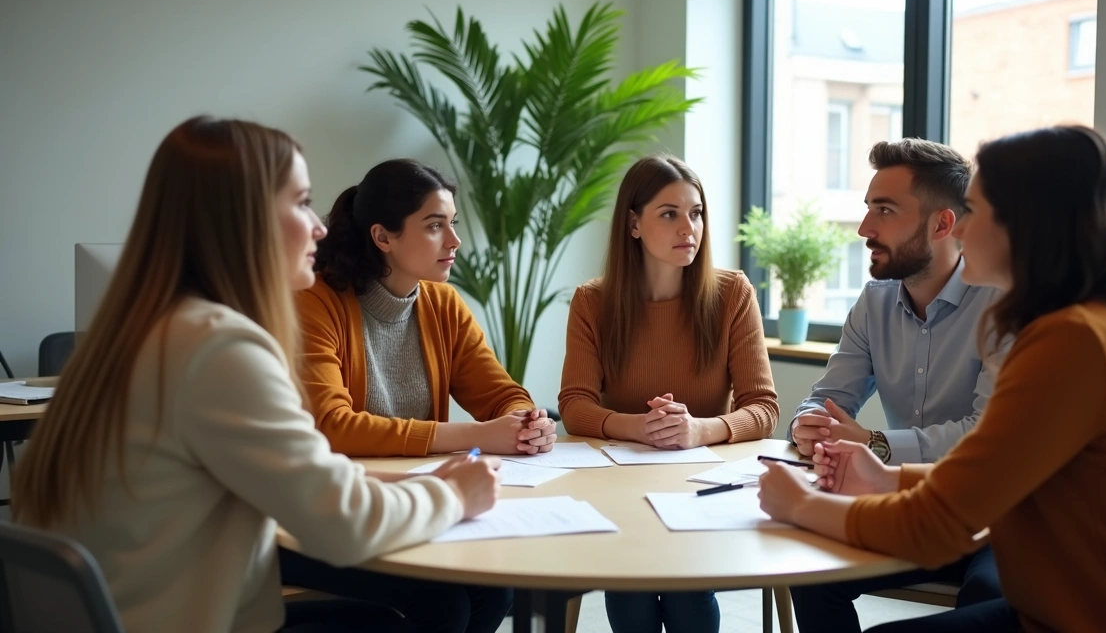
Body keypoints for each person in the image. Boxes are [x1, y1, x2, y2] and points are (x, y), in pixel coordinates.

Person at [10, 116, 503, 633]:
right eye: (301, 201)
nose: (319, 227)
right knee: (430, 611)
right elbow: (344, 524)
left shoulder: (142, 329)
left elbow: (297, 474)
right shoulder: (217, 347)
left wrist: (414, 479)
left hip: (134, 614)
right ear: (242, 219)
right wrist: (453, 496)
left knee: (445, 603)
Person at [758, 125, 1106, 632]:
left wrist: (800, 504)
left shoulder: (1077, 342)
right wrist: (888, 477)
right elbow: (1002, 475)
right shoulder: (1095, 325)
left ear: (1026, 226)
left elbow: (941, 522)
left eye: (974, 212)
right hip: (1080, 603)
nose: (960, 230)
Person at [785, 139, 1003, 632]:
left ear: (942, 224)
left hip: (992, 516)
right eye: (867, 209)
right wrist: (810, 423)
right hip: (911, 505)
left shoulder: (1001, 304)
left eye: (884, 211)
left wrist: (876, 444)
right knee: (809, 569)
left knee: (990, 596)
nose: (864, 229)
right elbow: (827, 397)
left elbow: (983, 438)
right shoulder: (874, 301)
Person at [559, 154, 780, 633]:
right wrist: (636, 425)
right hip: (618, 488)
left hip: (704, 487)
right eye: (670, 214)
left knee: (688, 592)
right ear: (634, 224)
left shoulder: (731, 294)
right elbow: (574, 406)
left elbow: (763, 408)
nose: (689, 227)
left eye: (696, 213)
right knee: (631, 591)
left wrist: (698, 429)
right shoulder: (592, 301)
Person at [297, 158, 555, 459]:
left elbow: (501, 396)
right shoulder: (313, 302)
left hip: (427, 484)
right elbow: (331, 426)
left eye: (452, 223)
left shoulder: (444, 304)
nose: (454, 241)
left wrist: (526, 423)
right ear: (383, 237)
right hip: (354, 490)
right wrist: (478, 435)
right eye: (435, 225)